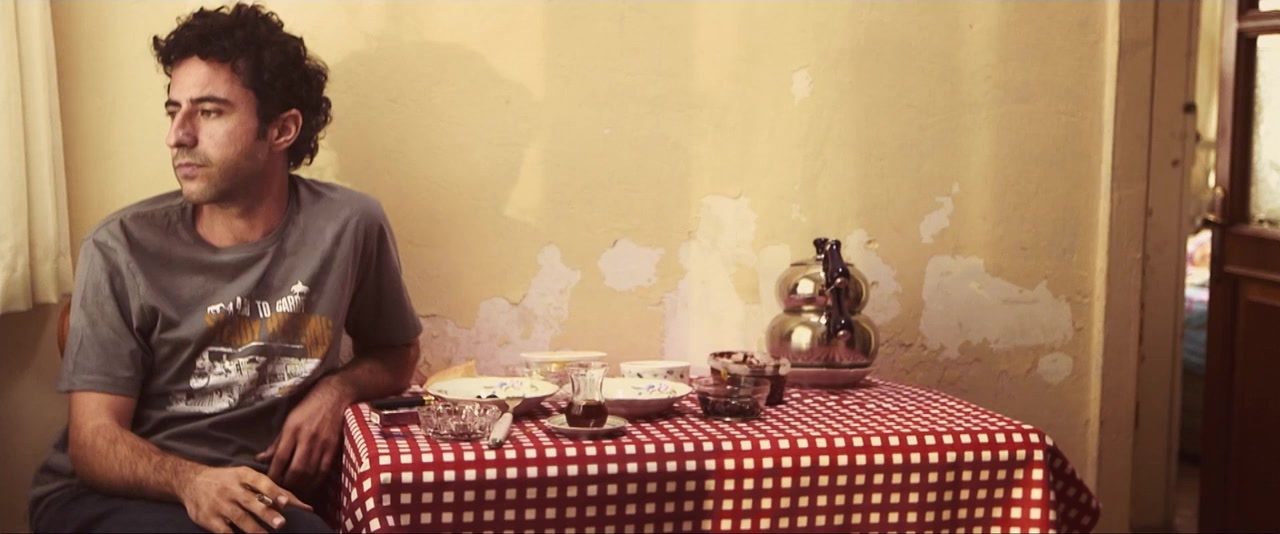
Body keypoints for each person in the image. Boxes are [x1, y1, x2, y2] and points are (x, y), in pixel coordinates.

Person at [28, 4, 423, 533]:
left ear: (281, 130)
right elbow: (93, 443)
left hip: (255, 498)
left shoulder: (348, 226)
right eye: (174, 111)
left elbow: (396, 353)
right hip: (116, 495)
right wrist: (191, 482)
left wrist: (337, 391)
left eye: (209, 112)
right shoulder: (120, 248)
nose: (178, 135)